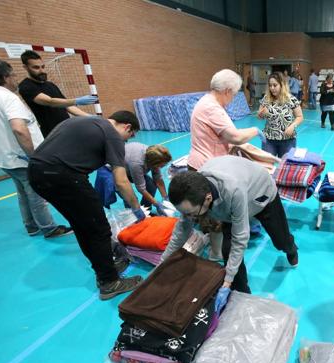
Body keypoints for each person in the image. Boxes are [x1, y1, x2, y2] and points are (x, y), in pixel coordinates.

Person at [28, 111, 146, 300]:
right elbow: (121, 182)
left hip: (36, 173)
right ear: (127, 127)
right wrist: (136, 208)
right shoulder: (113, 134)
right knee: (98, 229)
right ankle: (110, 282)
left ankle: (104, 268)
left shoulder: (84, 122)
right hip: (64, 176)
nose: (126, 141)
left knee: (82, 225)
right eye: (130, 136)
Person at [161, 156, 299, 302]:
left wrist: (227, 279)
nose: (189, 217)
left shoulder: (233, 190)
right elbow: (182, 230)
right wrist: (163, 262)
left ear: (208, 199)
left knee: (280, 240)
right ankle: (242, 296)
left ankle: (291, 248)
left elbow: (240, 238)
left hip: (260, 195)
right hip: (231, 204)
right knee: (228, 250)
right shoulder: (194, 193)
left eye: (190, 213)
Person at [0, 58, 72, 238]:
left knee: (22, 192)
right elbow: (19, 129)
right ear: (5, 77)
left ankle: (31, 225)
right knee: (35, 192)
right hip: (21, 158)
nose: (15, 79)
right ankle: (48, 227)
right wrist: (33, 156)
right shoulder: (8, 98)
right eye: (13, 75)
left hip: (4, 158)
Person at [187, 69, 261, 171]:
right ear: (227, 91)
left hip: (202, 163)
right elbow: (236, 137)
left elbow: (224, 132)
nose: (232, 99)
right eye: (234, 94)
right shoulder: (212, 108)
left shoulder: (206, 100)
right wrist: (255, 130)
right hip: (206, 167)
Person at [18, 50, 98, 137]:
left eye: (43, 67)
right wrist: (76, 101)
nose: (41, 71)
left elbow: (67, 105)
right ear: (25, 67)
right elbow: (50, 101)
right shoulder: (26, 86)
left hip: (67, 128)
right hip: (52, 133)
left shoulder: (50, 85)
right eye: (36, 68)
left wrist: (89, 116)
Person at [257, 71, 303, 157]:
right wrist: (261, 114)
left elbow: (300, 117)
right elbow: (259, 116)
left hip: (287, 140)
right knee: (267, 166)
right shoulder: (266, 99)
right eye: (270, 85)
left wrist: (292, 126)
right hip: (269, 140)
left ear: (282, 85)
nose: (272, 88)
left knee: (285, 167)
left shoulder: (291, 99)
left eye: (275, 85)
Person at [123, 142, 172, 215]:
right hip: (117, 170)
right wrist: (156, 204)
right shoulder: (137, 163)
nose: (162, 167)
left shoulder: (154, 154)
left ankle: (146, 210)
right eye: (161, 165)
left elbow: (158, 179)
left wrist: (165, 198)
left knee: (151, 186)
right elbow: (141, 188)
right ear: (153, 163)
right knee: (130, 197)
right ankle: (132, 214)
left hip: (130, 165)